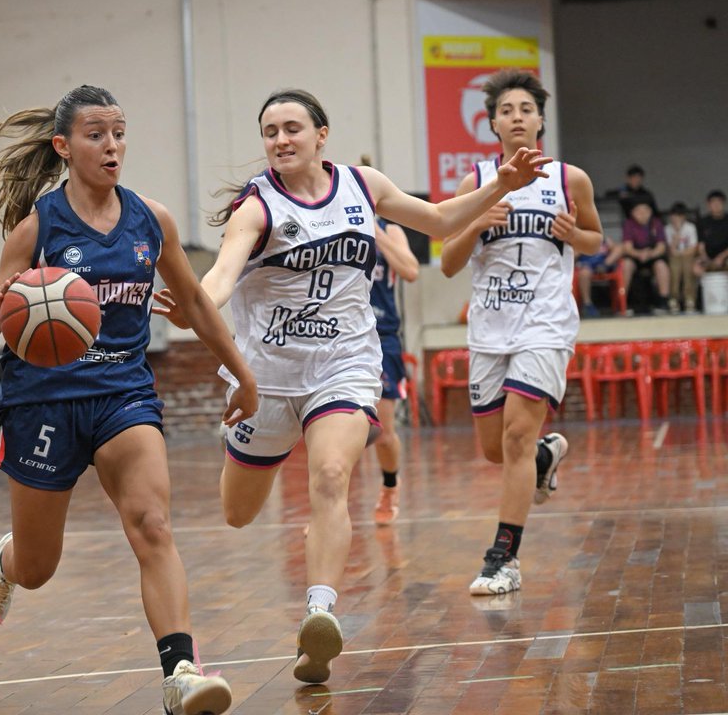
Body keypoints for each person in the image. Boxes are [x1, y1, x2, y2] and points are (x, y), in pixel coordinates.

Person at [154, 86, 555, 686]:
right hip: (267, 377)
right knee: (238, 514)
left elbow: (441, 219)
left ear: (321, 135)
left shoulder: (363, 186)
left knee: (333, 476)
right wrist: (194, 310)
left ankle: (319, 614)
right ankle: (239, 446)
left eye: (293, 128)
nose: (281, 140)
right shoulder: (256, 208)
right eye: (270, 132)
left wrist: (501, 183)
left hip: (345, 366)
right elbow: (220, 278)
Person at [0, 85, 257, 715]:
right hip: (43, 402)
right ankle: (7, 565)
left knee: (152, 523)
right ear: (64, 147)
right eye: (96, 134)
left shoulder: (151, 219)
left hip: (123, 393)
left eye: (118, 132)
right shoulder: (36, 226)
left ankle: (181, 673)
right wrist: (0, 303)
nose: (112, 145)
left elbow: (197, 304)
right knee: (40, 566)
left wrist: (241, 371)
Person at [440, 70, 603, 597]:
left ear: (539, 121)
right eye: (506, 110)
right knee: (498, 449)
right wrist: (475, 223)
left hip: (546, 325)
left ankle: (502, 560)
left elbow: (595, 239)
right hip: (489, 327)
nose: (516, 117)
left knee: (515, 435)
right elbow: (446, 263)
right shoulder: (476, 184)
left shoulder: (569, 179)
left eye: (525, 109)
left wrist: (574, 233)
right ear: (492, 123)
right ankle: (543, 457)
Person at [369, 218, 419, 524]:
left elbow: (411, 271)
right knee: (328, 431)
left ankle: (390, 485)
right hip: (338, 336)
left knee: (383, 434)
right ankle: (326, 508)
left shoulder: (390, 229)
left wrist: (376, 233)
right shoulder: (328, 220)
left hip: (382, 335)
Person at [621, 201, 673, 314]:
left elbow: (661, 247)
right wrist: (639, 254)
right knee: (626, 265)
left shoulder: (656, 223)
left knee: (661, 265)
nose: (642, 214)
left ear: (650, 212)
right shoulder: (628, 224)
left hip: (653, 255)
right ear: (632, 213)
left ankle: (664, 301)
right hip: (635, 255)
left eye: (645, 210)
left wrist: (649, 254)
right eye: (638, 211)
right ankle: (623, 302)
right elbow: (627, 247)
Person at [575, 238, 624, 318]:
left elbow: (618, 250)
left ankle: (604, 265)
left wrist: (606, 263)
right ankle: (588, 304)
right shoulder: (580, 240)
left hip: (603, 265)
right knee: (584, 273)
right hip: (587, 265)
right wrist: (582, 248)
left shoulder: (604, 240)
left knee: (620, 248)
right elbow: (573, 255)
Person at [665, 202, 699, 314]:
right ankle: (674, 299)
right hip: (674, 257)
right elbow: (670, 249)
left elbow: (693, 248)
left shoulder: (690, 227)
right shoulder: (667, 229)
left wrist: (681, 253)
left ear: (684, 216)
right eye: (674, 216)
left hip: (687, 256)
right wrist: (677, 234)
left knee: (688, 266)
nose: (676, 219)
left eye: (679, 216)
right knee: (674, 268)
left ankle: (689, 299)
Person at [697, 189, 728, 274]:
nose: (716, 205)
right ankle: (706, 287)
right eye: (713, 202)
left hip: (725, 256)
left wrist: (721, 257)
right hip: (708, 256)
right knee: (696, 269)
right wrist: (705, 258)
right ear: (708, 204)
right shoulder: (703, 221)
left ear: (724, 203)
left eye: (719, 202)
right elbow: (701, 245)